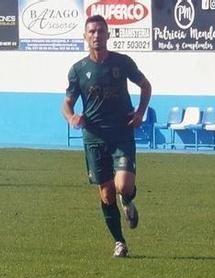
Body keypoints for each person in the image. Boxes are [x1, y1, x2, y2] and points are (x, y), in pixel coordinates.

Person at [61, 15, 152, 258]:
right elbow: (67, 103)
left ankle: (128, 201)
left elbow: (146, 86)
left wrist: (141, 112)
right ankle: (119, 242)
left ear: (108, 35)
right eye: (91, 31)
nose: (96, 35)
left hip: (121, 133)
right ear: (85, 36)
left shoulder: (122, 63)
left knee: (123, 186)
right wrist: (72, 118)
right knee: (106, 192)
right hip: (94, 138)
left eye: (101, 31)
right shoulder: (78, 70)